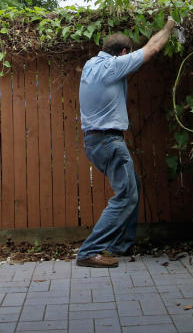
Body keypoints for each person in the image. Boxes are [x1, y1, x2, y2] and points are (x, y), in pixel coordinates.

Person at [75, 17, 176, 268]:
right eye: (126, 55)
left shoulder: (90, 64)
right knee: (126, 195)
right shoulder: (113, 67)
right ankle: (90, 251)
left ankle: (121, 245)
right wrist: (169, 27)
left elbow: (138, 50)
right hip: (109, 140)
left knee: (133, 186)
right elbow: (151, 49)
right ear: (122, 54)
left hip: (94, 142)